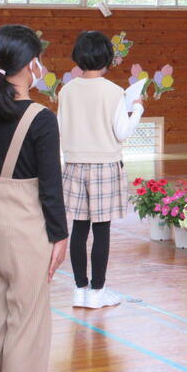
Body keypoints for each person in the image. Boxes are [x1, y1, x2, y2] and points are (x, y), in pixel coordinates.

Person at [0, 24, 68, 372]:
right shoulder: (40, 117)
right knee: (27, 328)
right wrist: (59, 235)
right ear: (31, 63)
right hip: (26, 232)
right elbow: (50, 187)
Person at [58, 31, 143, 309]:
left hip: (74, 165)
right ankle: (97, 291)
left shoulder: (66, 90)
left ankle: (79, 289)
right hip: (105, 165)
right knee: (102, 231)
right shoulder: (114, 91)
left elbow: (60, 128)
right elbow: (122, 132)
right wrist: (138, 110)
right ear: (107, 57)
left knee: (79, 229)